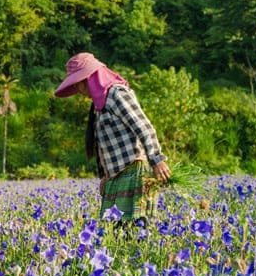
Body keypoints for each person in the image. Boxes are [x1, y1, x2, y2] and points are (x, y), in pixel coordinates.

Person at [54, 52, 171, 225]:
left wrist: (156, 160)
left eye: (77, 84)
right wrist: (105, 176)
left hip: (134, 171)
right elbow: (103, 145)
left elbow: (143, 127)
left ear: (86, 80)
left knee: (135, 229)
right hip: (117, 176)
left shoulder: (117, 94)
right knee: (114, 233)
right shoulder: (99, 104)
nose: (77, 90)